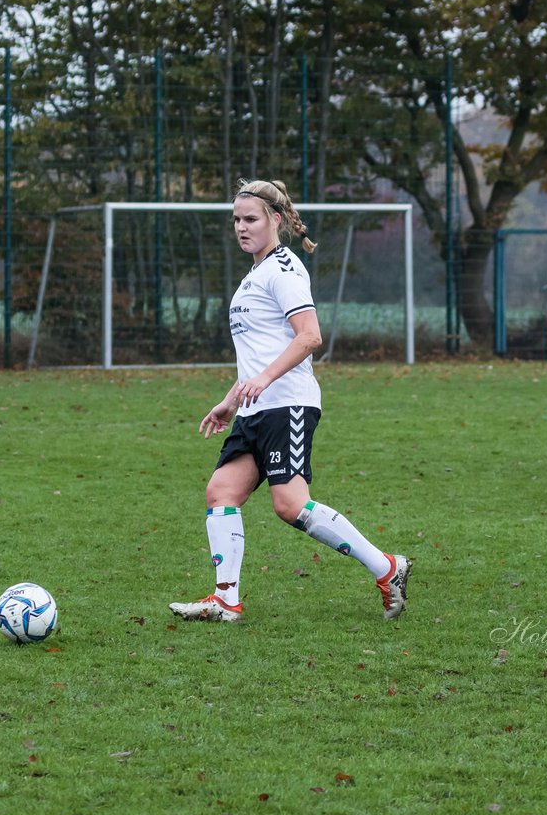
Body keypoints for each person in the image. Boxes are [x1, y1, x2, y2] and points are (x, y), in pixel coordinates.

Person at [169, 179, 410, 623]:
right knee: (221, 491)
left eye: (251, 219)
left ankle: (388, 568)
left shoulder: (284, 269)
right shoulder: (255, 275)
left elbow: (310, 337)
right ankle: (225, 600)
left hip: (289, 405)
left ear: (274, 220)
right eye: (236, 220)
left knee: (291, 505)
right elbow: (258, 353)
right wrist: (230, 400)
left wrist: (262, 379)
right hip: (255, 408)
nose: (241, 228)